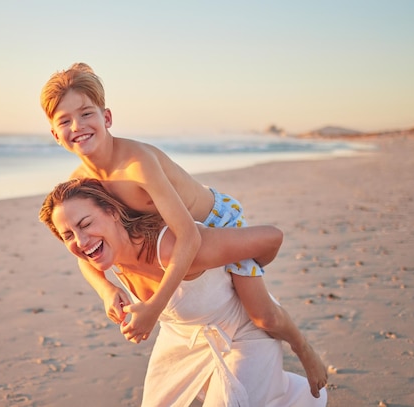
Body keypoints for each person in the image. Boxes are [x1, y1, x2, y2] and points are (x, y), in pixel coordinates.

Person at [40, 62, 327, 397]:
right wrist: (105, 289)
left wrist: (153, 309)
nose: (78, 126)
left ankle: (304, 350)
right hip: (180, 237)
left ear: (107, 118)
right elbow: (82, 246)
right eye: (65, 120)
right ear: (55, 134)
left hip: (216, 222)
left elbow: (190, 237)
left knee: (263, 316)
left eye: (86, 113)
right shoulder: (81, 183)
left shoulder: (137, 164)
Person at [39, 178, 327, 406]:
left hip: (245, 333)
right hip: (182, 335)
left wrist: (242, 267)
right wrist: (106, 289)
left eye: (85, 224)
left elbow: (271, 237)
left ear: (113, 212)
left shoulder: (175, 247)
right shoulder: (102, 250)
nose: (81, 241)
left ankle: (289, 383)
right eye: (68, 235)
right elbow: (83, 259)